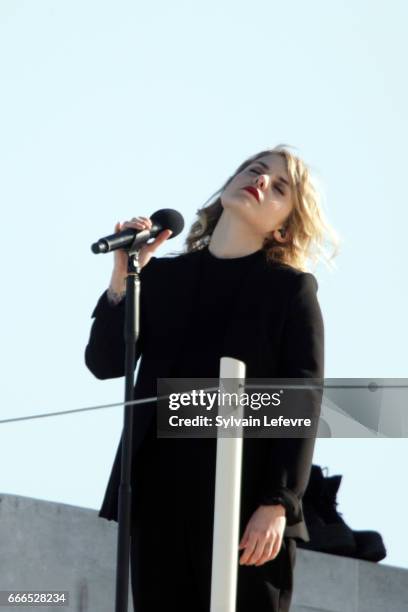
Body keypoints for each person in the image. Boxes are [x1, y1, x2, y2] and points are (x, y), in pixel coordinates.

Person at [85, 145, 338, 611]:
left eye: (279, 186)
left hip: (246, 509)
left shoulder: (290, 291)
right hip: (159, 497)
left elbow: (302, 398)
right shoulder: (162, 278)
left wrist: (278, 502)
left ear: (284, 225)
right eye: (255, 170)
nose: (260, 181)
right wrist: (124, 277)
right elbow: (105, 363)